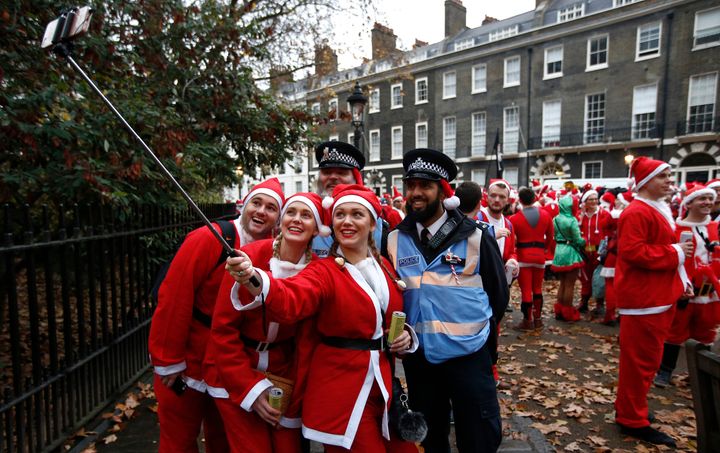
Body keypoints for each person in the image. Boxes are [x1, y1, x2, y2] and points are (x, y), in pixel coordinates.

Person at [227, 184, 419, 453]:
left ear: (373, 224)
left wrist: (405, 336)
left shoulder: (384, 266)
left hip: (382, 387)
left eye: (357, 214)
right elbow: (291, 297)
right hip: (341, 392)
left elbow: (384, 320)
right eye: (340, 215)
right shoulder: (323, 271)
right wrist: (255, 279)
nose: (347, 222)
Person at [148, 177, 284, 453]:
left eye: (271, 208)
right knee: (179, 440)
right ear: (243, 206)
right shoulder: (208, 238)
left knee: (222, 440)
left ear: (277, 219)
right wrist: (168, 360)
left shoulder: (274, 253)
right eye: (256, 203)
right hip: (189, 358)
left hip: (229, 364)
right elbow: (175, 297)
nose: (261, 211)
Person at [387, 148, 509, 453]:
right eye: (411, 185)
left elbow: (498, 296)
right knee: (431, 440)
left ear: (443, 191)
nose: (415, 193)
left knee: (479, 437)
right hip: (421, 362)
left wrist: (475, 334)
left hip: (469, 357)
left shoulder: (477, 236)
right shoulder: (392, 239)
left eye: (425, 186)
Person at [203, 192, 330, 452]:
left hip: (285, 376)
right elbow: (222, 331)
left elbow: (307, 341)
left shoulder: (318, 270)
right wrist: (251, 388)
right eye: (291, 213)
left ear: (317, 229)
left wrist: (293, 393)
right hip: (234, 370)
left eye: (306, 215)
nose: (296, 220)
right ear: (281, 220)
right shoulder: (247, 257)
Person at [614, 156, 694, 447]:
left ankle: (632, 410)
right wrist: (677, 253)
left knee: (646, 361)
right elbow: (635, 252)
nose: (670, 181)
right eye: (664, 176)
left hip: (656, 296)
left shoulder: (654, 208)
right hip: (644, 299)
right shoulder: (637, 212)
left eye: (670, 176)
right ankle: (632, 419)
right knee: (641, 363)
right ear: (647, 182)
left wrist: (681, 279)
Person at [654, 184, 720, 388]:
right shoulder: (676, 228)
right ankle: (665, 371)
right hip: (684, 291)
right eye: (703, 199)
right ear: (689, 203)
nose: (708, 202)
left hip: (709, 292)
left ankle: (700, 375)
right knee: (675, 331)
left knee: (706, 332)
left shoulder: (714, 228)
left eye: (710, 198)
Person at [311, 140, 388, 258]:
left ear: (356, 178)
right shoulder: (308, 221)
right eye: (326, 172)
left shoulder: (380, 229)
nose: (332, 177)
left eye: (341, 172)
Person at [509, 187, 555, 330]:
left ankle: (527, 320)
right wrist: (544, 249)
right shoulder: (546, 215)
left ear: (520, 200)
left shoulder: (514, 218)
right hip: (540, 256)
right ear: (535, 198)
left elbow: (512, 241)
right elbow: (551, 236)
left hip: (523, 256)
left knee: (526, 290)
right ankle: (538, 319)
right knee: (537, 288)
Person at [599, 191, 634, 326]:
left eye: (618, 200)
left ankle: (610, 314)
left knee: (610, 285)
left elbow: (602, 225)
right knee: (625, 285)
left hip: (614, 253)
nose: (616, 202)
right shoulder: (635, 214)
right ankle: (624, 314)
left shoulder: (614, 215)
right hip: (629, 255)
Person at [551, 195, 585, 322]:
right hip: (570, 252)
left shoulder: (556, 219)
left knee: (563, 283)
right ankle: (568, 312)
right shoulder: (572, 220)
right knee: (570, 285)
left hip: (559, 250)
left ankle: (559, 310)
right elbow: (577, 240)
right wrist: (584, 241)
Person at [578, 189, 612, 316]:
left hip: (599, 251)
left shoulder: (604, 214)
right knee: (585, 277)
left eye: (595, 199)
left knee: (598, 277)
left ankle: (599, 304)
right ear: (585, 202)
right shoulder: (580, 215)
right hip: (585, 251)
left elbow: (609, 231)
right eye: (590, 199)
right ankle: (584, 302)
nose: (594, 202)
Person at [479, 179, 519, 287]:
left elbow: (512, 251)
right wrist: (491, 236)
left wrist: (512, 261)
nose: (497, 200)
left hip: (500, 281)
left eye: (502, 197)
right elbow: (468, 245)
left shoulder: (508, 224)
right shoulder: (478, 217)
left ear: (508, 200)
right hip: (479, 281)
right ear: (486, 197)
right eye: (493, 195)